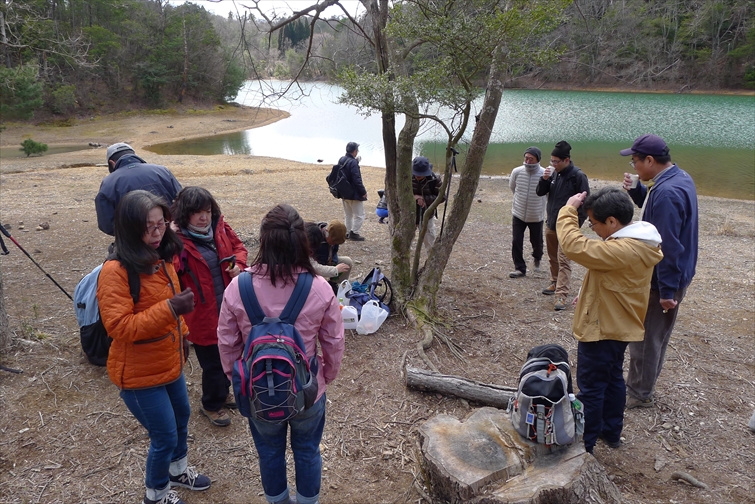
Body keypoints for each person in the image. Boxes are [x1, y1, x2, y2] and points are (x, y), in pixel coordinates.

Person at [217, 204, 345, 504]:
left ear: (264, 241)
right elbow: (334, 340)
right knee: (307, 451)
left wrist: (238, 379)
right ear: (303, 241)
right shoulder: (319, 288)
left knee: (269, 452)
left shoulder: (237, 287)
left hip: (258, 390)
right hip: (307, 388)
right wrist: (326, 375)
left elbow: (227, 342)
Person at [97, 190, 210, 504]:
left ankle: (178, 471)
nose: (157, 232)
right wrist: (171, 309)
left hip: (168, 360)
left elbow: (171, 306)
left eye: (162, 223)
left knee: (182, 418)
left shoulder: (163, 257)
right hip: (138, 373)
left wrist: (183, 334)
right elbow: (120, 327)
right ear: (130, 228)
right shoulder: (115, 271)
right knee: (164, 435)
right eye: (149, 227)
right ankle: (156, 494)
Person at [557, 187, 663, 454]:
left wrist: (568, 211)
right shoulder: (639, 242)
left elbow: (574, 246)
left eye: (594, 223)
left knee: (591, 388)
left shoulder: (624, 248)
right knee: (613, 378)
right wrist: (586, 292)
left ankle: (585, 445)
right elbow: (611, 278)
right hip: (619, 324)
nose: (593, 229)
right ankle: (610, 431)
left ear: (612, 221)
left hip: (602, 329)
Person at [620, 134, 699, 409]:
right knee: (657, 335)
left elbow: (668, 246)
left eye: (635, 161)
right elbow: (656, 215)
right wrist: (637, 190)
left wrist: (666, 290)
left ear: (650, 160)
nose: (633, 166)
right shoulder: (677, 178)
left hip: (663, 278)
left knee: (646, 337)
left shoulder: (667, 192)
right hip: (675, 275)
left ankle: (638, 392)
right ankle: (644, 386)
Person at [170, 187, 248, 427]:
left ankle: (223, 392)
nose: (203, 217)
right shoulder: (177, 242)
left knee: (231, 353)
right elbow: (170, 272)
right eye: (197, 212)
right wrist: (167, 240)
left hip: (228, 307)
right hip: (201, 315)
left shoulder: (220, 227)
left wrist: (239, 265)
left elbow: (239, 248)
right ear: (185, 214)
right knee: (213, 363)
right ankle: (211, 404)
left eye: (207, 210)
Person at [536, 140, 590, 311]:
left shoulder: (578, 176)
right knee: (552, 257)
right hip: (552, 223)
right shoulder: (554, 174)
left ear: (566, 160)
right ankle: (554, 281)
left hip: (567, 227)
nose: (553, 164)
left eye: (556, 161)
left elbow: (586, 203)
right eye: (551, 161)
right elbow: (540, 192)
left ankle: (561, 295)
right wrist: (544, 179)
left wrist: (575, 224)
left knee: (564, 260)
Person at [95, 143, 182, 237]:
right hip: (169, 232)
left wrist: (131, 234)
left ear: (112, 163)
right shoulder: (162, 170)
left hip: (135, 240)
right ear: (134, 155)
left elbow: (107, 224)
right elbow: (181, 200)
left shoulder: (108, 182)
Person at [508, 147, 546, 278]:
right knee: (516, 241)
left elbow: (547, 193)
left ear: (538, 159)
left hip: (536, 215)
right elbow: (512, 187)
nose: (528, 161)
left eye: (531, 159)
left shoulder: (544, 174)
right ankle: (520, 268)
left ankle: (537, 258)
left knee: (537, 243)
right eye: (526, 158)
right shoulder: (517, 171)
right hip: (518, 213)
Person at [305, 220, 352, 289]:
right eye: (333, 242)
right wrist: (335, 270)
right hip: (313, 265)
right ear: (327, 233)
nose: (334, 244)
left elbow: (334, 252)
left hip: (326, 260)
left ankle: (333, 284)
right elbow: (313, 266)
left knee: (347, 262)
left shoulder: (334, 237)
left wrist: (334, 262)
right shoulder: (313, 238)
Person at [338, 141, 368, 241]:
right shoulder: (353, 162)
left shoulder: (342, 159)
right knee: (360, 215)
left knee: (348, 214)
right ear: (354, 151)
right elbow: (356, 179)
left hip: (344, 192)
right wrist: (363, 192)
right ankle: (354, 233)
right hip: (354, 193)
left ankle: (347, 232)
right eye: (357, 150)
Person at [412, 156, 443, 250]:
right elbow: (398, 193)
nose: (417, 176)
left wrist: (424, 199)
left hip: (427, 215)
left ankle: (431, 259)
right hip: (409, 215)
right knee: (405, 242)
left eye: (420, 174)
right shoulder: (406, 176)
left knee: (430, 244)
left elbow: (442, 197)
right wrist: (413, 197)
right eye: (416, 173)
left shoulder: (434, 179)